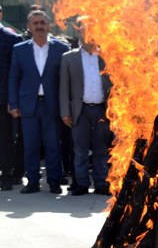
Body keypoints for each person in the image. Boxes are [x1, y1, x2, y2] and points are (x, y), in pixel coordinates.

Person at [8, 10, 69, 194]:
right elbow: (14, 77)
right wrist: (14, 103)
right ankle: (33, 181)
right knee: (31, 146)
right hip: (29, 105)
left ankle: (54, 181)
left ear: (49, 25)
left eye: (43, 22)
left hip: (52, 105)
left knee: (52, 145)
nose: (39, 26)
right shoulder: (20, 49)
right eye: (35, 23)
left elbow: (65, 80)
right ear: (29, 27)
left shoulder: (61, 48)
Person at [59, 19, 112, 196]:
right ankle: (81, 183)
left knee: (101, 149)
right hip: (79, 110)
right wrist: (65, 112)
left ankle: (101, 183)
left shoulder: (106, 57)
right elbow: (64, 88)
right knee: (80, 150)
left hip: (101, 110)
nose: (87, 34)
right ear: (79, 33)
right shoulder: (69, 58)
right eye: (83, 31)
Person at [0, 19, 23, 191]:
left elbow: (15, 74)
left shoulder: (12, 39)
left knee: (5, 140)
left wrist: (12, 100)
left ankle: (6, 176)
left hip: (3, 99)